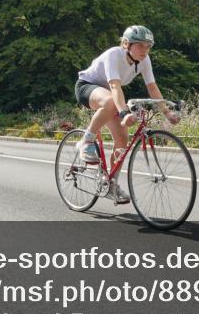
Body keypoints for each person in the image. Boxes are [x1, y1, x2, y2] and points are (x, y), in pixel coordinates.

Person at [74, 25, 179, 204]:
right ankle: (86, 140)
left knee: (122, 138)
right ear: (126, 44)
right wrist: (124, 113)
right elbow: (115, 86)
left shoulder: (144, 61)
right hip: (87, 87)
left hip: (110, 94)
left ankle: (110, 183)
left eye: (148, 46)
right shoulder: (113, 55)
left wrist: (167, 113)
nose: (145, 50)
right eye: (140, 45)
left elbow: (152, 88)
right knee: (109, 101)